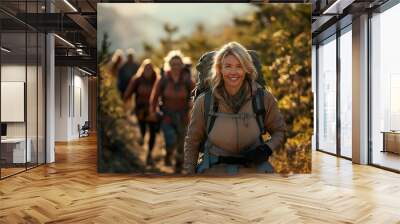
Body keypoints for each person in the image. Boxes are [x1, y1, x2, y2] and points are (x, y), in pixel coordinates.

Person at [183, 42, 286, 175]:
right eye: (228, 66)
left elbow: (280, 132)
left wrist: (266, 148)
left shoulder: (263, 99)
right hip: (213, 169)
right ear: (219, 68)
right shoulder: (205, 101)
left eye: (239, 66)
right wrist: (188, 174)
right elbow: (192, 141)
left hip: (255, 170)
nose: (233, 72)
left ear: (247, 69)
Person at [150, 50, 195, 173]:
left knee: (181, 143)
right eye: (173, 64)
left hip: (183, 116)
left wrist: (193, 102)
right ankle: (168, 155)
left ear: (182, 65)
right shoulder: (163, 79)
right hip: (167, 116)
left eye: (178, 64)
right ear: (169, 64)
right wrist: (152, 111)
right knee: (171, 139)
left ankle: (178, 166)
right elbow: (154, 96)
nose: (176, 66)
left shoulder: (186, 79)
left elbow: (196, 93)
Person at [124, 59, 160, 166]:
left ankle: (149, 155)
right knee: (143, 130)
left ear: (153, 69)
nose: (148, 70)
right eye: (146, 68)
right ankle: (141, 143)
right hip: (140, 110)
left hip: (153, 110)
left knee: (153, 132)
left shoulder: (157, 80)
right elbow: (128, 93)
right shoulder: (137, 80)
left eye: (150, 68)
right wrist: (125, 103)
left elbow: (162, 93)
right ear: (142, 69)